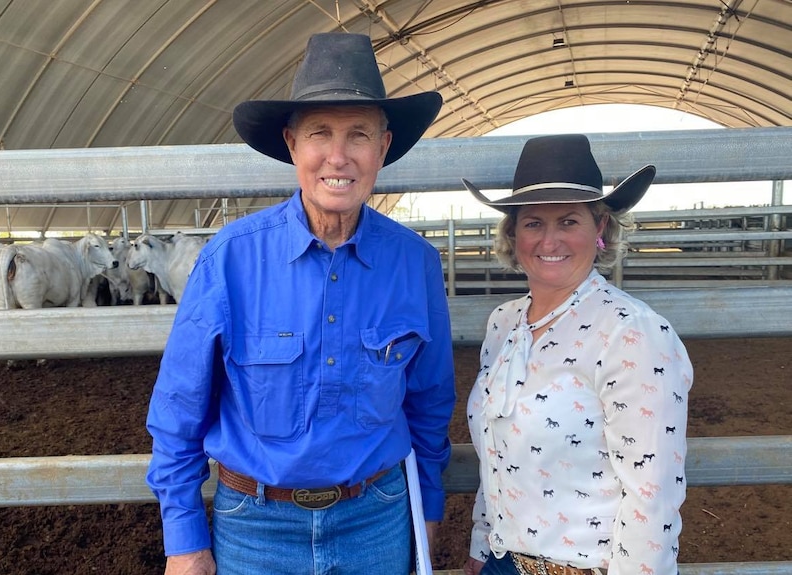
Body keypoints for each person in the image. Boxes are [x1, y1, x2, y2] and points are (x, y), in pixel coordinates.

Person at [146, 32, 456, 575]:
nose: (339, 156)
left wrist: (426, 508)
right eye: (320, 133)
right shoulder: (229, 260)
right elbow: (178, 410)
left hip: (377, 521)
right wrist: (185, 539)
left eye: (359, 134)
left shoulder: (416, 264)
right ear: (292, 144)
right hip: (254, 526)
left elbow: (430, 404)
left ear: (383, 147)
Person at [460, 134, 693, 575]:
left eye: (568, 221)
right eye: (533, 223)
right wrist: (482, 540)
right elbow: (497, 447)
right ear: (513, 233)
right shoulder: (504, 323)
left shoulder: (632, 335)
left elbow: (653, 495)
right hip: (499, 562)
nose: (550, 241)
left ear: (599, 228)